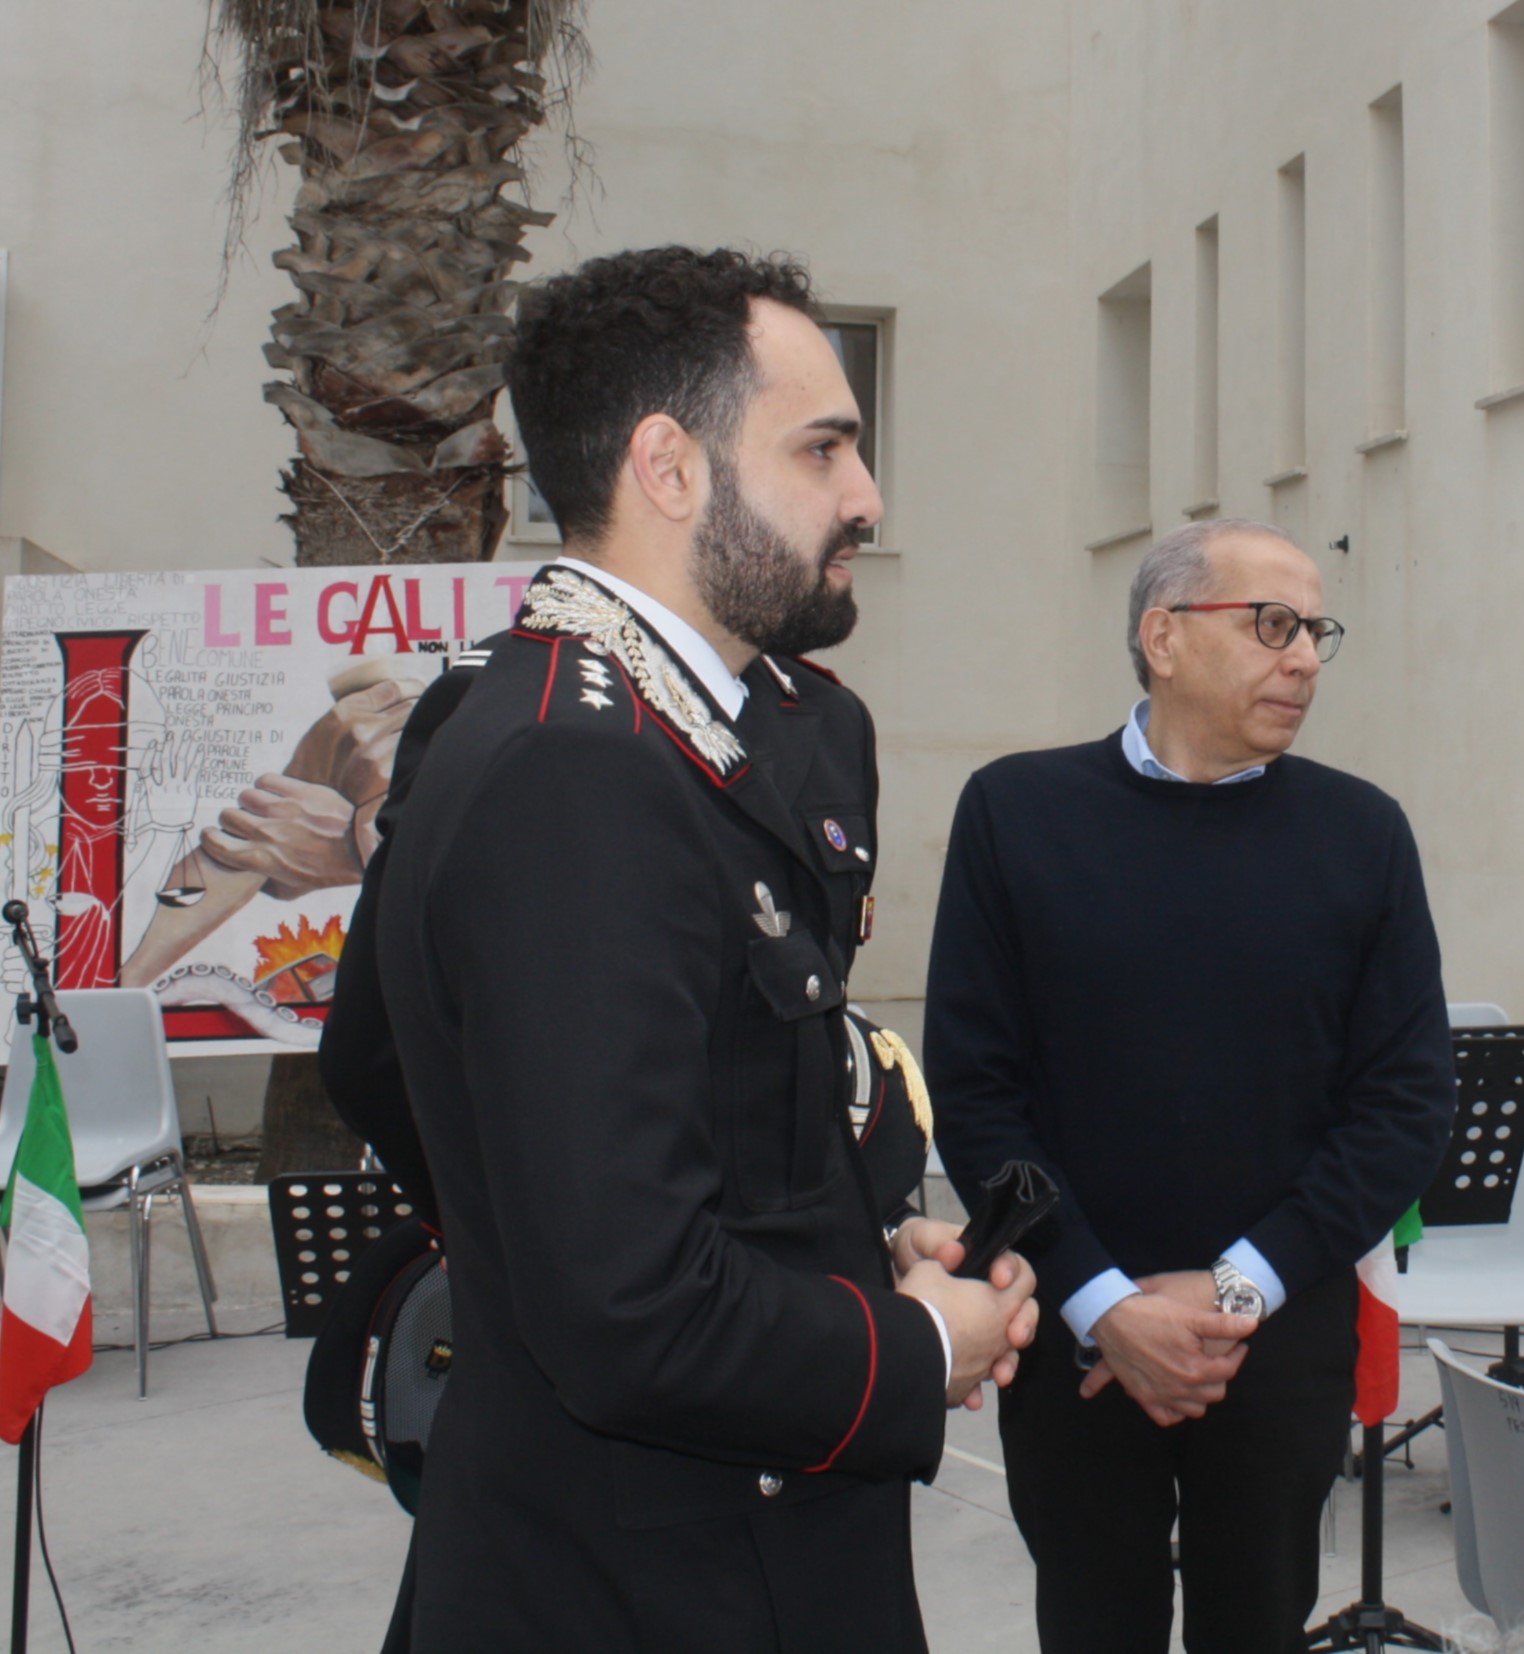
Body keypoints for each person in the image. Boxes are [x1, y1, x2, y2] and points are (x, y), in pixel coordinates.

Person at [374, 245, 1037, 1654]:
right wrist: (919, 1343)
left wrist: (851, 1246)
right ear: (667, 467)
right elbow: (626, 1301)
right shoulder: (577, 770)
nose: (866, 496)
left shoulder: (670, 733)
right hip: (650, 1577)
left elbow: (685, 1124)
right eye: (822, 448)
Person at [925, 518, 1457, 1652]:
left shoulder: (1363, 834)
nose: (1304, 657)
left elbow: (1404, 1107)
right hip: (1070, 1339)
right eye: (1273, 625)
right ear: (1162, 638)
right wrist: (1103, 1302)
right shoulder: (1015, 813)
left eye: (1315, 631)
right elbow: (975, 1095)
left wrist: (1238, 1287)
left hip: (1278, 1332)